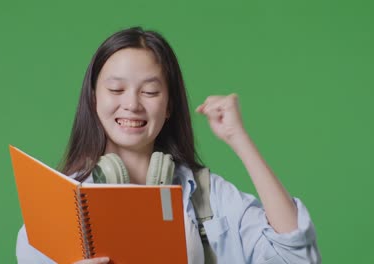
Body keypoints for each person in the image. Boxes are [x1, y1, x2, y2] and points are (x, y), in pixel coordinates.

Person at [16, 27, 321, 264]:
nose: (132, 104)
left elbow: (296, 256)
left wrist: (239, 139)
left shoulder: (210, 198)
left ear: (169, 105)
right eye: (116, 89)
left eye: (149, 91)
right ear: (94, 98)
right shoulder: (56, 210)